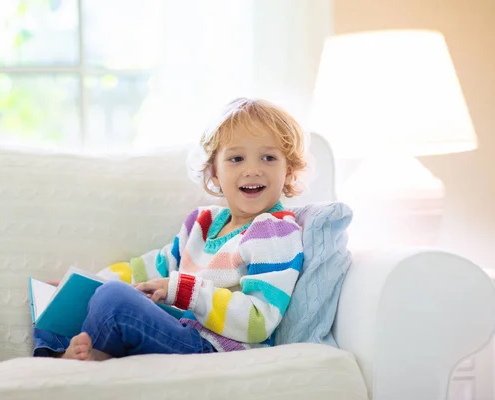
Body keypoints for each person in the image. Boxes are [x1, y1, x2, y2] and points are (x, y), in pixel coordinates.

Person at [33, 97, 307, 361]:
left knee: (112, 298)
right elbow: (155, 267)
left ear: (289, 169)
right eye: (236, 159)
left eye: (268, 158)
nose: (252, 170)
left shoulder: (274, 231)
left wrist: (184, 290)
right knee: (59, 299)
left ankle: (92, 355)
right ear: (214, 173)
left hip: (213, 348)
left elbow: (259, 321)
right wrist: (89, 281)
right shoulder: (203, 223)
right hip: (175, 328)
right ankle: (58, 357)